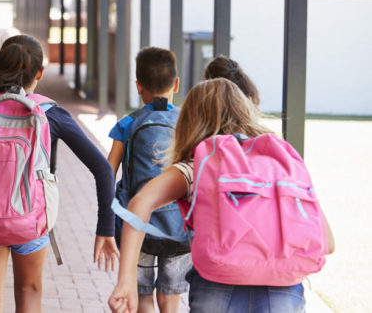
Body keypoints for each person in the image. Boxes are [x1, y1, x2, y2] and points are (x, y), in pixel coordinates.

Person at [108, 79, 336, 313]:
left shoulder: (198, 165)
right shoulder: (279, 163)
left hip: (218, 284)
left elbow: (140, 203)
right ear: (244, 110)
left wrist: (126, 281)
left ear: (190, 120)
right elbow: (327, 243)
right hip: (283, 289)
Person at [0, 34, 119, 313]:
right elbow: (103, 169)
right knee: (29, 291)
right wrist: (105, 228)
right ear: (40, 72)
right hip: (29, 217)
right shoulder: (49, 113)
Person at [106, 47, 190, 313]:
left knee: (142, 296)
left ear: (138, 86)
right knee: (170, 298)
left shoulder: (128, 123)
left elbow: (109, 171)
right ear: (176, 84)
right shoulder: (187, 122)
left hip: (137, 225)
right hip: (179, 226)